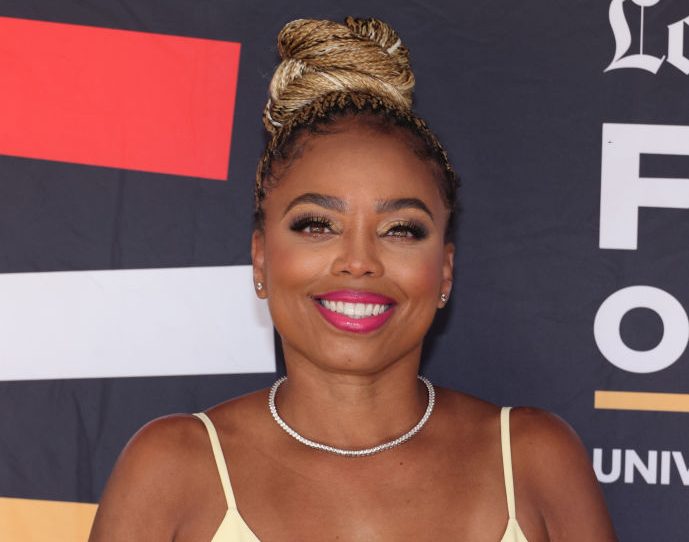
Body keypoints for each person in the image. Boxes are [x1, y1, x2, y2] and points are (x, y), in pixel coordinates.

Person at [89, 17, 617, 541]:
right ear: (261, 260)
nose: (359, 260)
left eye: (401, 229)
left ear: (445, 271)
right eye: (317, 225)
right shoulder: (172, 470)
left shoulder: (534, 462)